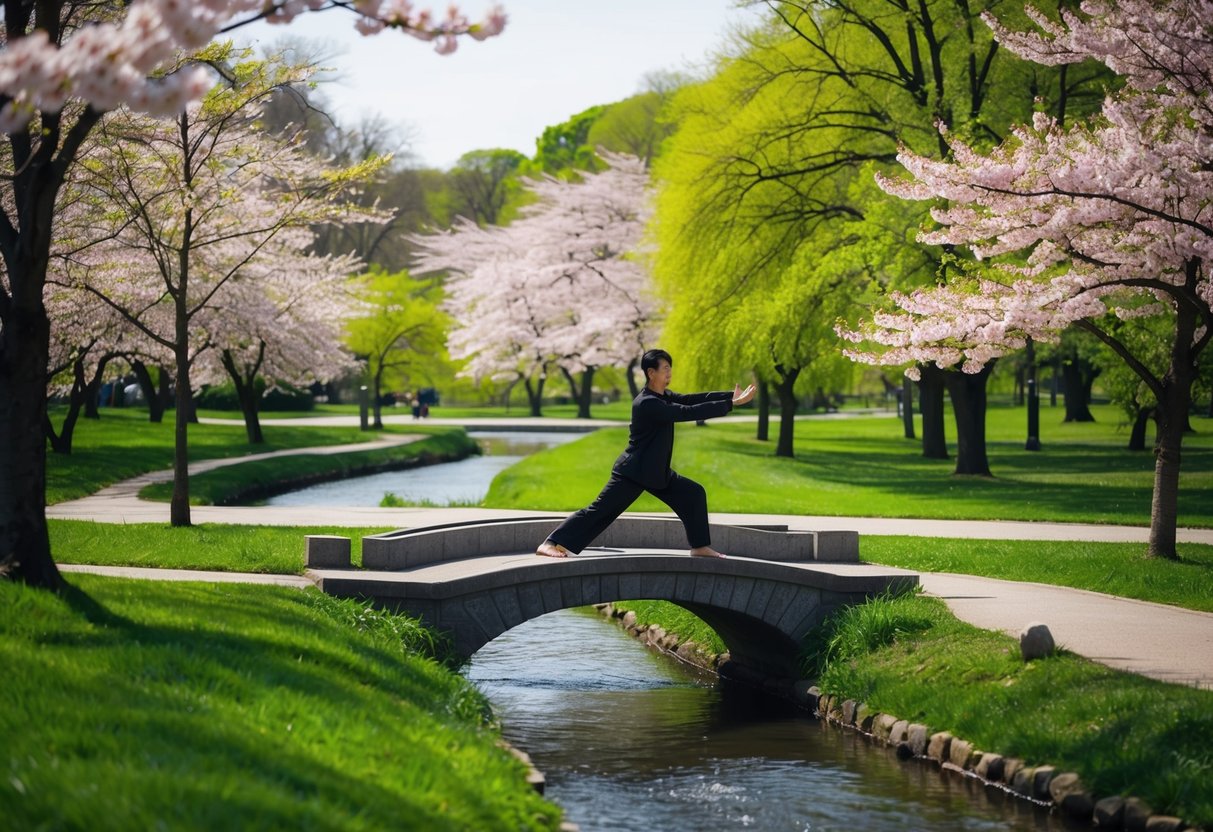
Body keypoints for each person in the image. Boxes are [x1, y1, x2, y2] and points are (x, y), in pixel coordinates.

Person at [536, 349, 755, 559]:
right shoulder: (647, 403)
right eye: (665, 368)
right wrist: (731, 404)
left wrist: (729, 395)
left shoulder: (663, 396)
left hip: (657, 473)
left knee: (694, 494)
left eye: (670, 368)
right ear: (651, 373)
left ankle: (699, 546)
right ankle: (549, 544)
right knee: (599, 511)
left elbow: (689, 400)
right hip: (633, 472)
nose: (669, 373)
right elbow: (686, 412)